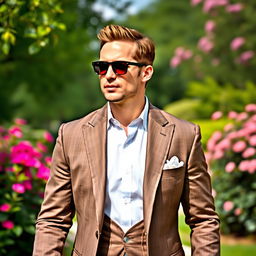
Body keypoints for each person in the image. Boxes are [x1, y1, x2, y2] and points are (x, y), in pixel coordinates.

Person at [33, 24, 220, 256]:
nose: (109, 75)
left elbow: (203, 220)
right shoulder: (71, 135)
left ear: (146, 72)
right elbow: (52, 219)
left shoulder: (183, 135)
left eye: (120, 67)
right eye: (102, 67)